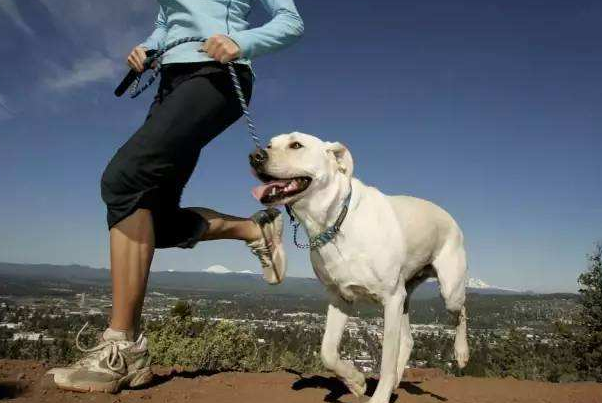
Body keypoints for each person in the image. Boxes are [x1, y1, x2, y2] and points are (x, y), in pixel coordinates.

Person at [48, 0, 303, 393]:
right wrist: (149, 47)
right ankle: (256, 230)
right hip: (170, 82)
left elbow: (290, 21)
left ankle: (122, 345)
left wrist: (241, 41)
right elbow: (166, 21)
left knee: (124, 181)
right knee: (156, 221)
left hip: (218, 76)